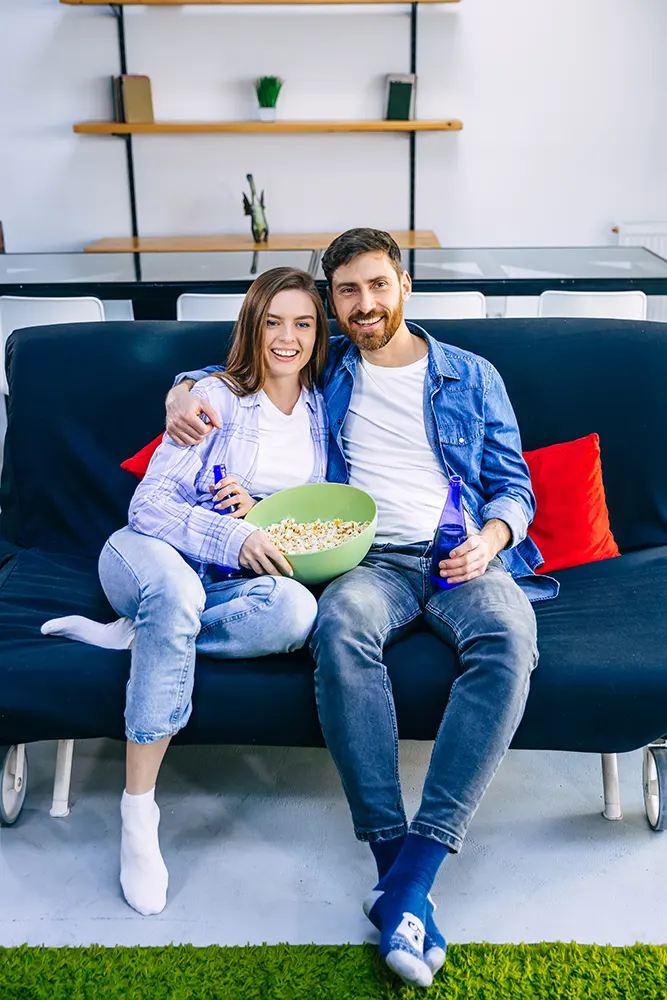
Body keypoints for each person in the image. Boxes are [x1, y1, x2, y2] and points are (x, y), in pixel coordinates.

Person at [166, 229, 558, 988]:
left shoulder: (470, 376)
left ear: (402, 285)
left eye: (376, 285)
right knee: (339, 627)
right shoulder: (327, 367)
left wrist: (491, 536)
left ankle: (414, 871)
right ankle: (391, 862)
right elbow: (239, 365)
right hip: (365, 558)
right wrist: (183, 389)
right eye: (346, 291)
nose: (364, 304)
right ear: (330, 301)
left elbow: (515, 484)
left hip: (456, 556)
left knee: (510, 639)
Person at [41, 266, 330, 917]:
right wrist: (229, 536)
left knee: (294, 609)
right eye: (273, 321)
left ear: (319, 332)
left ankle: (146, 634)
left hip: (226, 590)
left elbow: (310, 509)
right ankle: (138, 815)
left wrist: (259, 510)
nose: (287, 337)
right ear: (252, 326)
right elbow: (148, 507)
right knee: (171, 592)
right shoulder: (215, 398)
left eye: (303, 323)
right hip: (146, 554)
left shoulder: (322, 409)